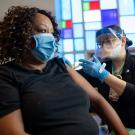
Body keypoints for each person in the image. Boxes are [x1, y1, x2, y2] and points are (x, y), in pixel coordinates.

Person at [0, 6, 129, 135]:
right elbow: (12, 131)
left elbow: (98, 101)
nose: (49, 38)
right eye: (43, 30)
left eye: (51, 33)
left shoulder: (60, 65)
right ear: (21, 34)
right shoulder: (7, 75)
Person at [79, 25, 135, 134]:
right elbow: (76, 78)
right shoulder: (102, 66)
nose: (104, 46)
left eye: (108, 41)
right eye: (100, 43)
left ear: (123, 40)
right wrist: (62, 66)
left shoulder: (132, 64)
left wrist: (104, 75)